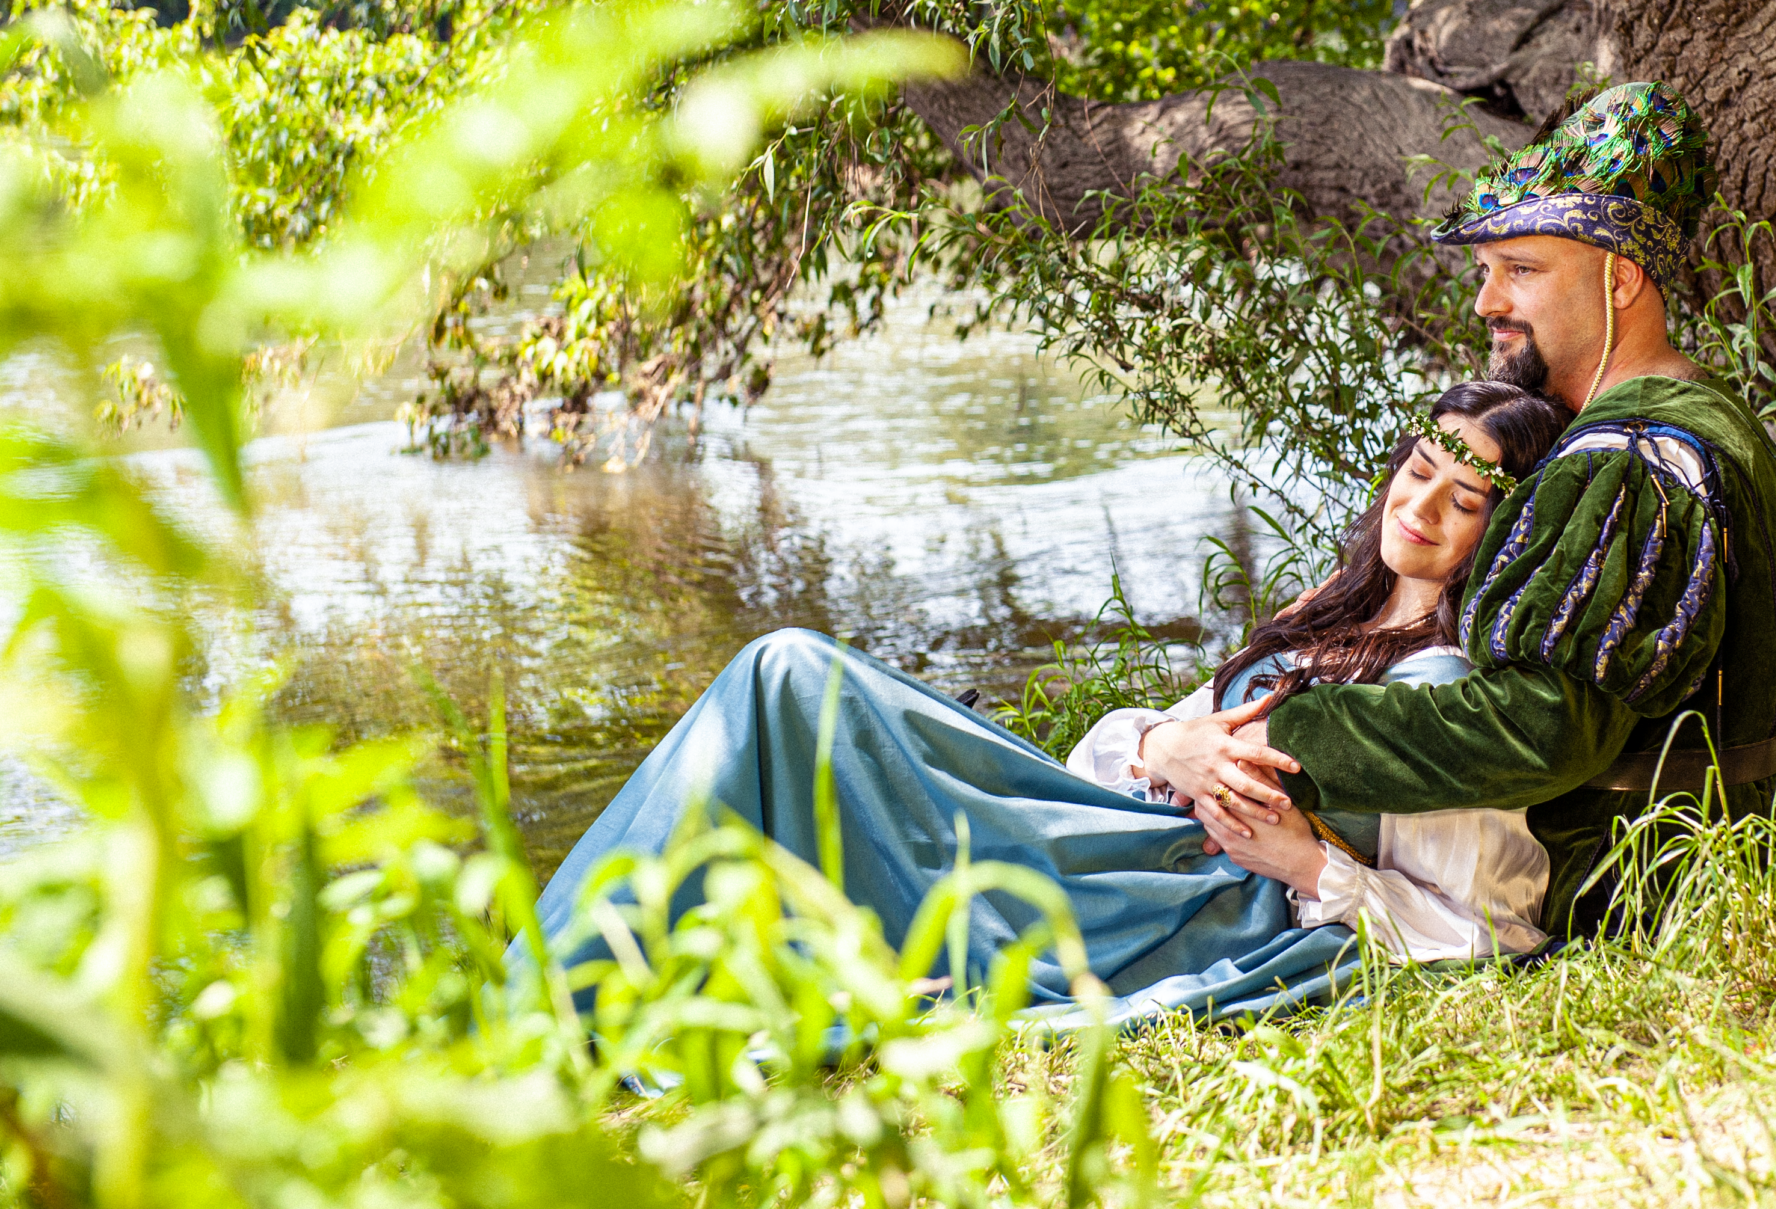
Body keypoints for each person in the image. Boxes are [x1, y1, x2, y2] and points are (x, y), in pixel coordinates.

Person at [526, 381, 1568, 1023]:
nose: (1418, 504)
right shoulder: (1327, 609)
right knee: (791, 676)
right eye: (1418, 469)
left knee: (789, 674)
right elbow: (1107, 748)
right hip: (1119, 824)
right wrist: (1169, 742)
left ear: (1504, 535)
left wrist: (1304, 861)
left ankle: (554, 980)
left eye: (1462, 498)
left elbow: (1484, 929)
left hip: (1180, 908)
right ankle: (566, 964)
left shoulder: (1448, 688)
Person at [1142, 83, 1776, 940]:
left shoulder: (1627, 460)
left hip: (1637, 879)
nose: (1490, 301)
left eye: (1521, 271)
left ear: (1623, 278)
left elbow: (1537, 730)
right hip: (1741, 845)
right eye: (1487, 272)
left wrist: (1281, 730)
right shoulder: (1709, 416)